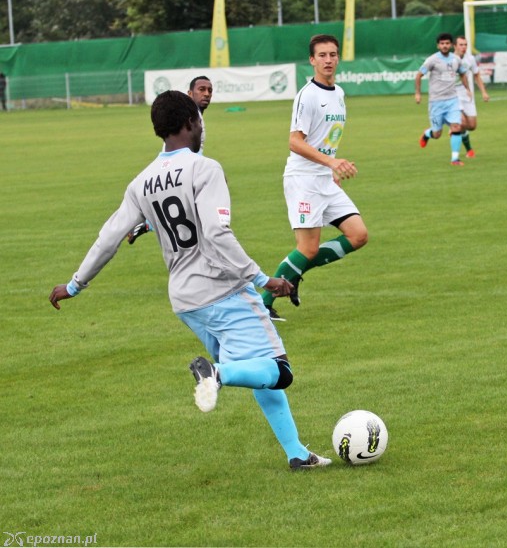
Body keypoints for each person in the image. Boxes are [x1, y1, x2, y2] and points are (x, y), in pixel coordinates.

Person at [49, 90, 331, 470]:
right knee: (279, 371)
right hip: (223, 289)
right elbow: (217, 233)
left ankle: (297, 454)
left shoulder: (141, 182)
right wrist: (264, 279)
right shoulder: (205, 168)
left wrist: (74, 284)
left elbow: (109, 237)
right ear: (189, 124)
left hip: (185, 300)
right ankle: (215, 373)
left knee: (256, 370)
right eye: (200, 120)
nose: (203, 127)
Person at [261, 34, 368, 321]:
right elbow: (295, 142)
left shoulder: (340, 93)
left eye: (333, 55)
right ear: (312, 60)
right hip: (304, 180)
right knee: (307, 248)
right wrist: (332, 161)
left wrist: (331, 168)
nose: (329, 60)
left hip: (324, 177)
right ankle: (263, 303)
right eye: (322, 55)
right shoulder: (307, 95)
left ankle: (293, 276)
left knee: (358, 235)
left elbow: (326, 139)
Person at [127, 75, 214, 244]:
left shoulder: (194, 116)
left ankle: (146, 223)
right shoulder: (192, 118)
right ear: (190, 93)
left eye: (210, 90)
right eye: (201, 89)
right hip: (180, 169)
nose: (207, 94)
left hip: (178, 167)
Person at [415, 33, 472, 166]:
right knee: (437, 134)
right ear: (438, 45)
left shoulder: (456, 59)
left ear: (451, 45)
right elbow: (418, 75)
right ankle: (427, 134)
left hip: (452, 100)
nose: (444, 46)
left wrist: (467, 89)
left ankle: (455, 159)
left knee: (456, 127)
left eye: (447, 43)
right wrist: (418, 94)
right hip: (436, 102)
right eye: (442, 43)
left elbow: (463, 73)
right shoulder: (432, 60)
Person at [453, 36, 490, 158]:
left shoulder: (470, 59)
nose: (463, 47)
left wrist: (483, 92)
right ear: (455, 46)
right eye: (461, 45)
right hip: (453, 95)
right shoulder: (449, 60)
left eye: (465, 45)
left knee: (472, 125)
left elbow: (477, 75)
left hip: (467, 94)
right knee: (461, 122)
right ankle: (465, 150)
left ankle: (456, 130)